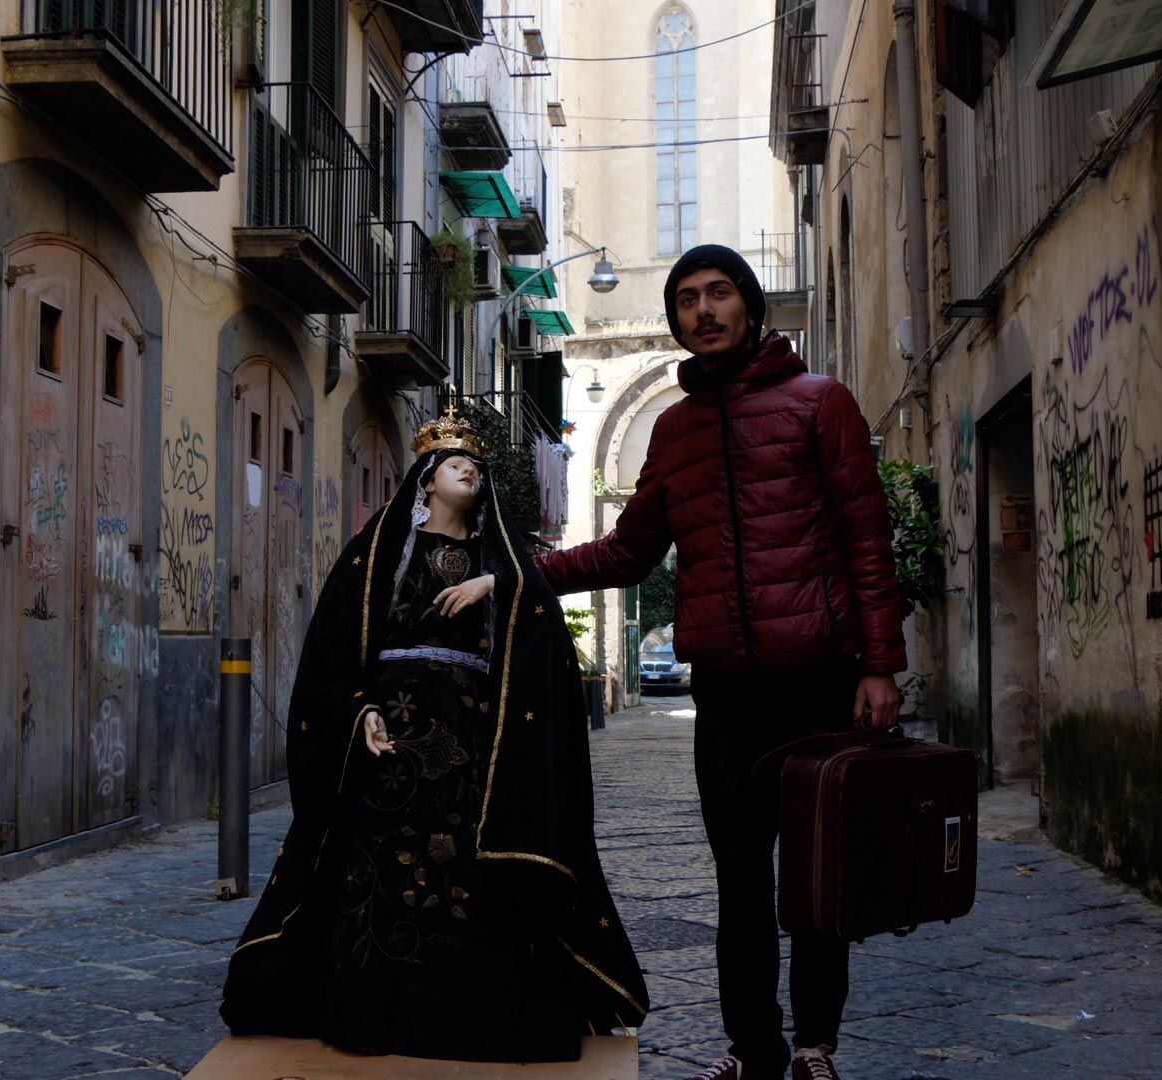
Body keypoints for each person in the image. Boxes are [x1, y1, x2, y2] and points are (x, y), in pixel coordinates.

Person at [536, 245, 907, 1080]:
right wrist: (526, 574)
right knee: (739, 884)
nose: (703, 311)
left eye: (719, 293)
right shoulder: (674, 431)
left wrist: (880, 666)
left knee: (816, 878)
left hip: (818, 681)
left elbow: (866, 538)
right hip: (727, 696)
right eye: (687, 299)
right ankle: (752, 1051)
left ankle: (814, 1046)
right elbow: (628, 551)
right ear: (676, 319)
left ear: (749, 306)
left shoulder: (820, 403)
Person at [220, 411, 648, 1063]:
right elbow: (337, 646)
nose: (469, 471)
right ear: (426, 479)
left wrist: (497, 583)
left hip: (474, 743)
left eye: (475, 465)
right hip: (391, 741)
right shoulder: (377, 553)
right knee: (385, 866)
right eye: (455, 464)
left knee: (465, 868)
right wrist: (360, 710)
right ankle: (378, 1007)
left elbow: (540, 625)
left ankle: (463, 1008)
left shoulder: (498, 560)